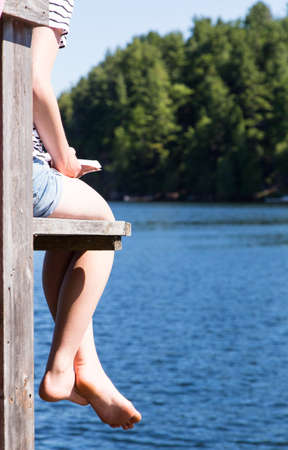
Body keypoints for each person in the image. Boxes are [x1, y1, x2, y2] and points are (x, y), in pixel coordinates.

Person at [32, 0, 141, 430]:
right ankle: (63, 366)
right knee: (102, 223)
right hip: (15, 174)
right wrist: (64, 161)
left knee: (72, 231)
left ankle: (87, 368)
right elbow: (36, 83)